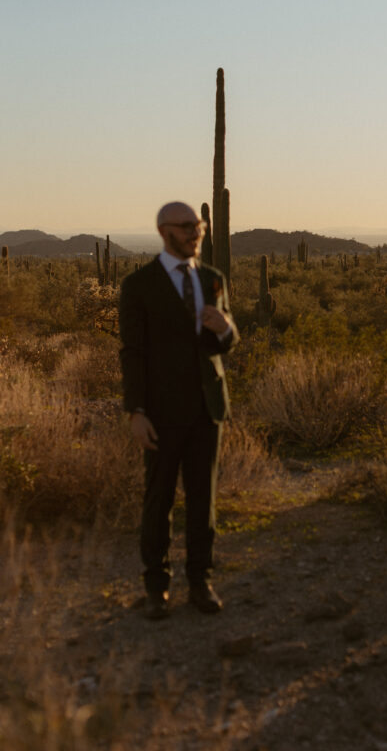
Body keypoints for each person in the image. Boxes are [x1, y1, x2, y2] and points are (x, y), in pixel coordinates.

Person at [119, 201, 239, 620]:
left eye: (200, 226)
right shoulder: (140, 286)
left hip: (208, 407)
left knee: (203, 499)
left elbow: (226, 335)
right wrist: (136, 411)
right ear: (164, 230)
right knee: (159, 499)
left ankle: (201, 582)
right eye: (187, 226)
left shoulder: (212, 278)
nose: (196, 233)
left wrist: (226, 329)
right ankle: (156, 587)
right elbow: (131, 354)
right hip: (161, 411)